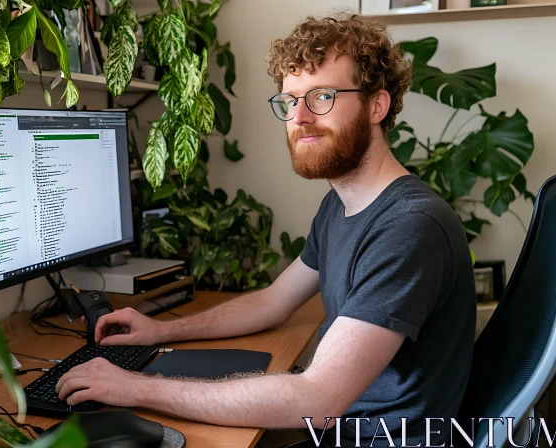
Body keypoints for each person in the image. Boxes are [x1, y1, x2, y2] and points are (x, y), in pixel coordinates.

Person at [56, 14, 476, 448]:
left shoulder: (408, 226)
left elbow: (318, 398)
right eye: (289, 101)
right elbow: (274, 302)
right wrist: (160, 331)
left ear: (377, 106)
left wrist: (133, 387)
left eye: (322, 97)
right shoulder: (342, 203)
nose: (300, 117)